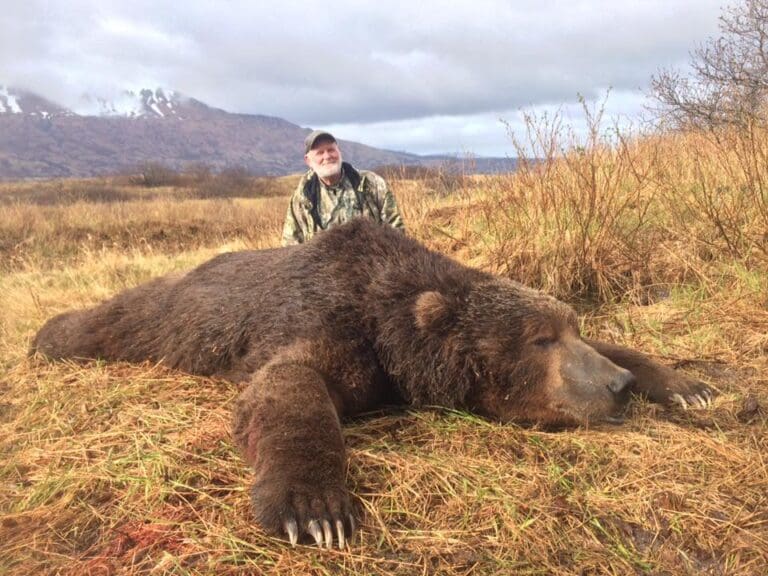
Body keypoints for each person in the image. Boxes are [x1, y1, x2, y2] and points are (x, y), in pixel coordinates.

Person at [281, 130, 405, 245]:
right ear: (308, 161)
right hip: (320, 267)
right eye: (320, 153)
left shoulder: (373, 184)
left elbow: (396, 233)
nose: (327, 156)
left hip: (371, 264)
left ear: (339, 151)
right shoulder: (302, 198)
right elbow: (290, 246)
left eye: (331, 150)